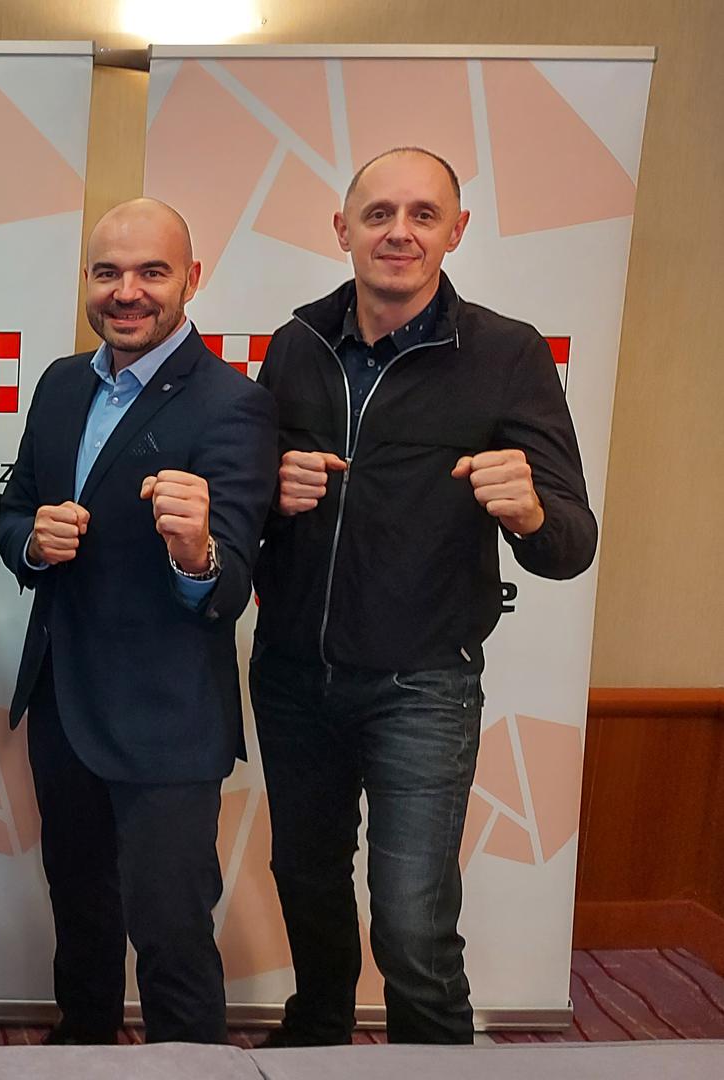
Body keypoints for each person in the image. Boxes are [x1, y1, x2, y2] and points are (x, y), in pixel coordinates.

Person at [251, 147, 597, 1046]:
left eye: (421, 214)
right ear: (342, 229)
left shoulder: (507, 352)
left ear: (455, 231)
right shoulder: (294, 344)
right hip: (291, 676)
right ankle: (315, 1043)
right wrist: (268, 493)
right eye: (377, 214)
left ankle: (434, 1062)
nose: (397, 232)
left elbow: (571, 543)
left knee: (410, 924)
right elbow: (242, 509)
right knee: (306, 887)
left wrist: (529, 513)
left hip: (422, 686)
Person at [0, 198, 278, 1045]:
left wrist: (195, 551)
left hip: (165, 719)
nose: (126, 292)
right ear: (85, 279)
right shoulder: (58, 383)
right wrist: (33, 541)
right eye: (107, 272)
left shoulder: (231, 403)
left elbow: (229, 583)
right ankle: (80, 1051)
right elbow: (13, 512)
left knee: (170, 938)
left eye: (151, 272)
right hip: (62, 704)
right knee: (79, 919)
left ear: (191, 278)